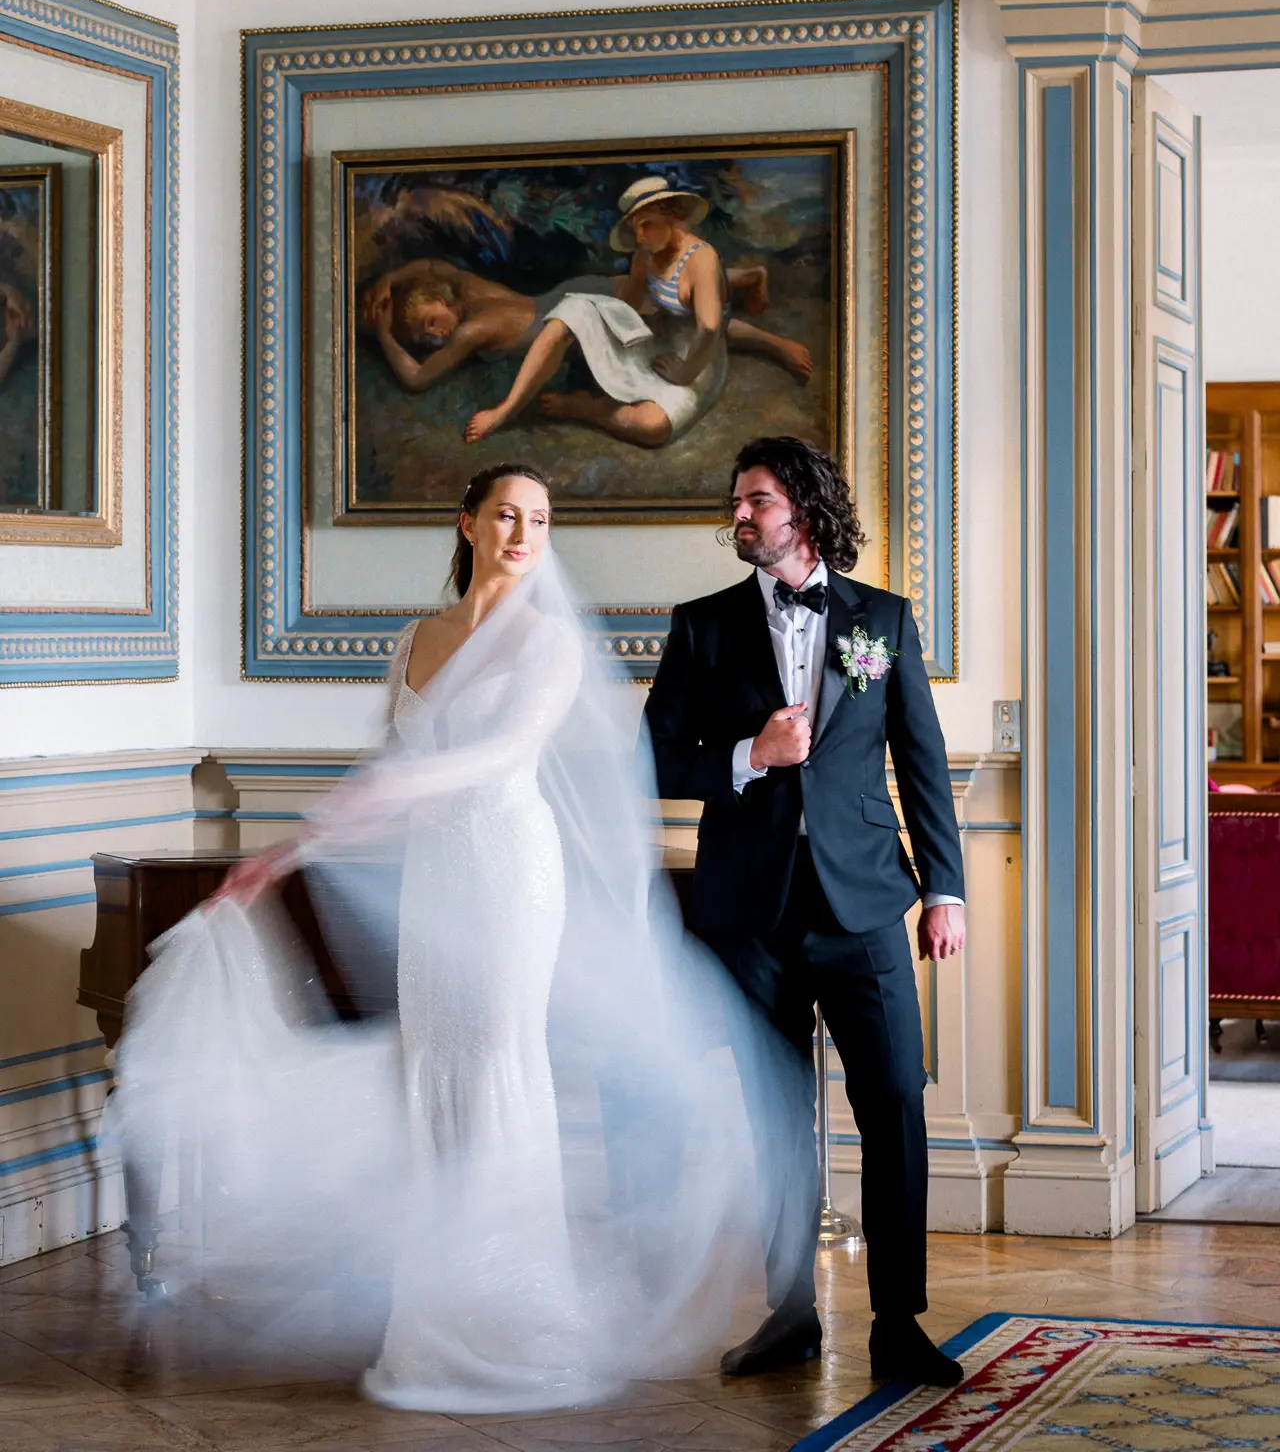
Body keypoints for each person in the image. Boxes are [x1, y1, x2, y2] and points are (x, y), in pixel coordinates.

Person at [108, 464, 803, 1413]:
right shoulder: (417, 638)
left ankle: (517, 1319)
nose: (524, 534)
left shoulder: (549, 642)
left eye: (541, 521)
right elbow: (388, 760)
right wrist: (286, 853)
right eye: (508, 516)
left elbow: (496, 756)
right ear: (468, 522)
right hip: (437, 876)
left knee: (496, 1069)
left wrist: (378, 797)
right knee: (433, 1074)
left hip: (510, 874)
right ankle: (434, 1320)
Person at [642, 435, 968, 1389]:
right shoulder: (701, 627)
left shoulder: (884, 621)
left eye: (756, 502)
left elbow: (923, 766)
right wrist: (750, 754)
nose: (739, 517)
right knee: (773, 1122)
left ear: (806, 513)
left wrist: (943, 891)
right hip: (750, 914)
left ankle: (899, 1324)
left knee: (895, 1109)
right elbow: (653, 762)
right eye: (737, 503)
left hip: (865, 906)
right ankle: (789, 1315)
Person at [364, 248, 811, 405]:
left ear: (440, 300)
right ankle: (747, 276)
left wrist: (385, 306)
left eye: (429, 323)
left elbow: (418, 378)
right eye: (426, 339)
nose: (435, 337)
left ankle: (773, 342)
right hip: (574, 296)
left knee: (675, 317)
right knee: (671, 301)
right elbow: (428, 265)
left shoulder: (470, 328)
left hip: (582, 308)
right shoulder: (466, 290)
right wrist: (392, 291)